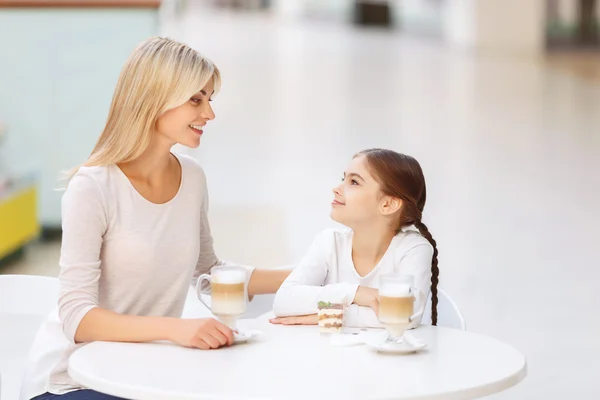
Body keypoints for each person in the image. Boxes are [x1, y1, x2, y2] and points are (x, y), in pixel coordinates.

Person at [21, 37, 290, 400]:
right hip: (75, 380)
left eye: (210, 99)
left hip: (144, 372)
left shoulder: (192, 177)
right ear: (153, 98)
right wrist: (176, 330)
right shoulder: (93, 187)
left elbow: (211, 274)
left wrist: (313, 275)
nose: (209, 114)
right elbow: (77, 317)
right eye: (196, 99)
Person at [270, 149, 439, 329]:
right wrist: (356, 293)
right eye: (344, 179)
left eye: (354, 182)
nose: (336, 188)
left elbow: (405, 316)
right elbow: (283, 301)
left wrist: (328, 315)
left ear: (388, 204)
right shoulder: (329, 242)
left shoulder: (413, 249)